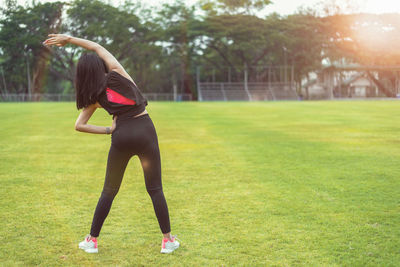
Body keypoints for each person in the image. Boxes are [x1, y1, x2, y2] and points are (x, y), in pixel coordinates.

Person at [42, 34, 180, 254]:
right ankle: (168, 241)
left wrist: (108, 129)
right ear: (101, 67)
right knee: (155, 189)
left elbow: (79, 125)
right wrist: (69, 38)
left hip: (121, 135)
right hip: (145, 130)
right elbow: (97, 46)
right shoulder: (117, 72)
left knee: (109, 190)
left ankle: (91, 241)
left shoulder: (96, 96)